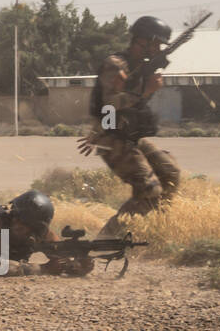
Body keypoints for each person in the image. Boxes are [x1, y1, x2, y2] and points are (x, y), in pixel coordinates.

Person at [77, 15, 182, 235]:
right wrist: (146, 91)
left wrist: (144, 88)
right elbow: (109, 105)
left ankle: (156, 230)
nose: (157, 49)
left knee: (170, 173)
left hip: (129, 134)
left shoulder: (140, 68)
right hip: (110, 137)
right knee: (149, 190)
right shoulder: (116, 65)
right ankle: (106, 239)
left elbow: (133, 104)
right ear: (139, 41)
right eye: (154, 44)